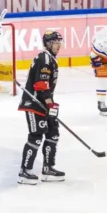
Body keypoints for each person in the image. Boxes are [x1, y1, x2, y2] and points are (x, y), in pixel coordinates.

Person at [18, 30, 65, 185]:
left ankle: (48, 168)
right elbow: (41, 85)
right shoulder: (44, 58)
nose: (59, 45)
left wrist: (50, 104)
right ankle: (24, 172)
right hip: (34, 104)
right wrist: (50, 104)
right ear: (48, 44)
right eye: (56, 42)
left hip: (43, 103)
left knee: (53, 133)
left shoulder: (50, 58)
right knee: (36, 136)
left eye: (59, 42)